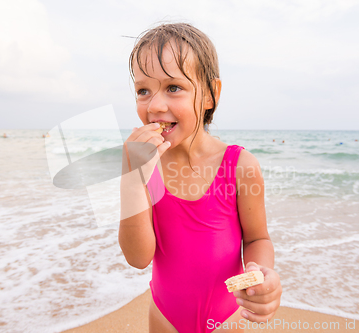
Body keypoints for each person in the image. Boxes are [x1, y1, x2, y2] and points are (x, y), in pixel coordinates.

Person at [119, 23, 281, 333]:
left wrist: (261, 273)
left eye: (173, 87)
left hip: (229, 320)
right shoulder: (144, 168)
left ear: (210, 94)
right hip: (164, 318)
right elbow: (138, 258)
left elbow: (258, 238)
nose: (154, 105)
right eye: (143, 90)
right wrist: (131, 179)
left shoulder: (240, 166)